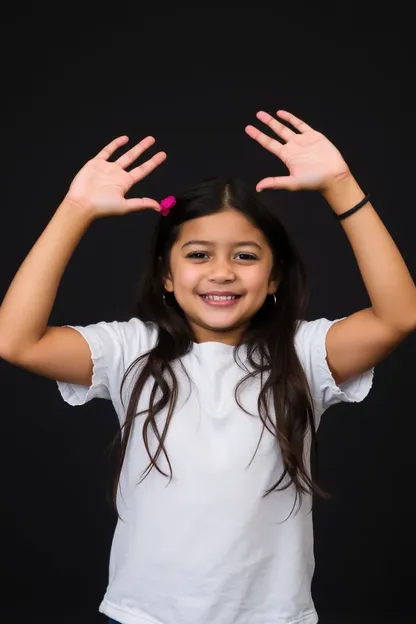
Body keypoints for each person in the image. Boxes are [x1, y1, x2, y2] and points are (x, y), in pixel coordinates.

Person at [0, 109, 415, 624]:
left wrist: (340, 186)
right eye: (198, 255)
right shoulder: (130, 351)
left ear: (274, 278)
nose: (222, 272)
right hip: (144, 615)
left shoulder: (304, 353)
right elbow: (14, 340)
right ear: (167, 276)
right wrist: (75, 209)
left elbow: (399, 316)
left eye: (245, 256)